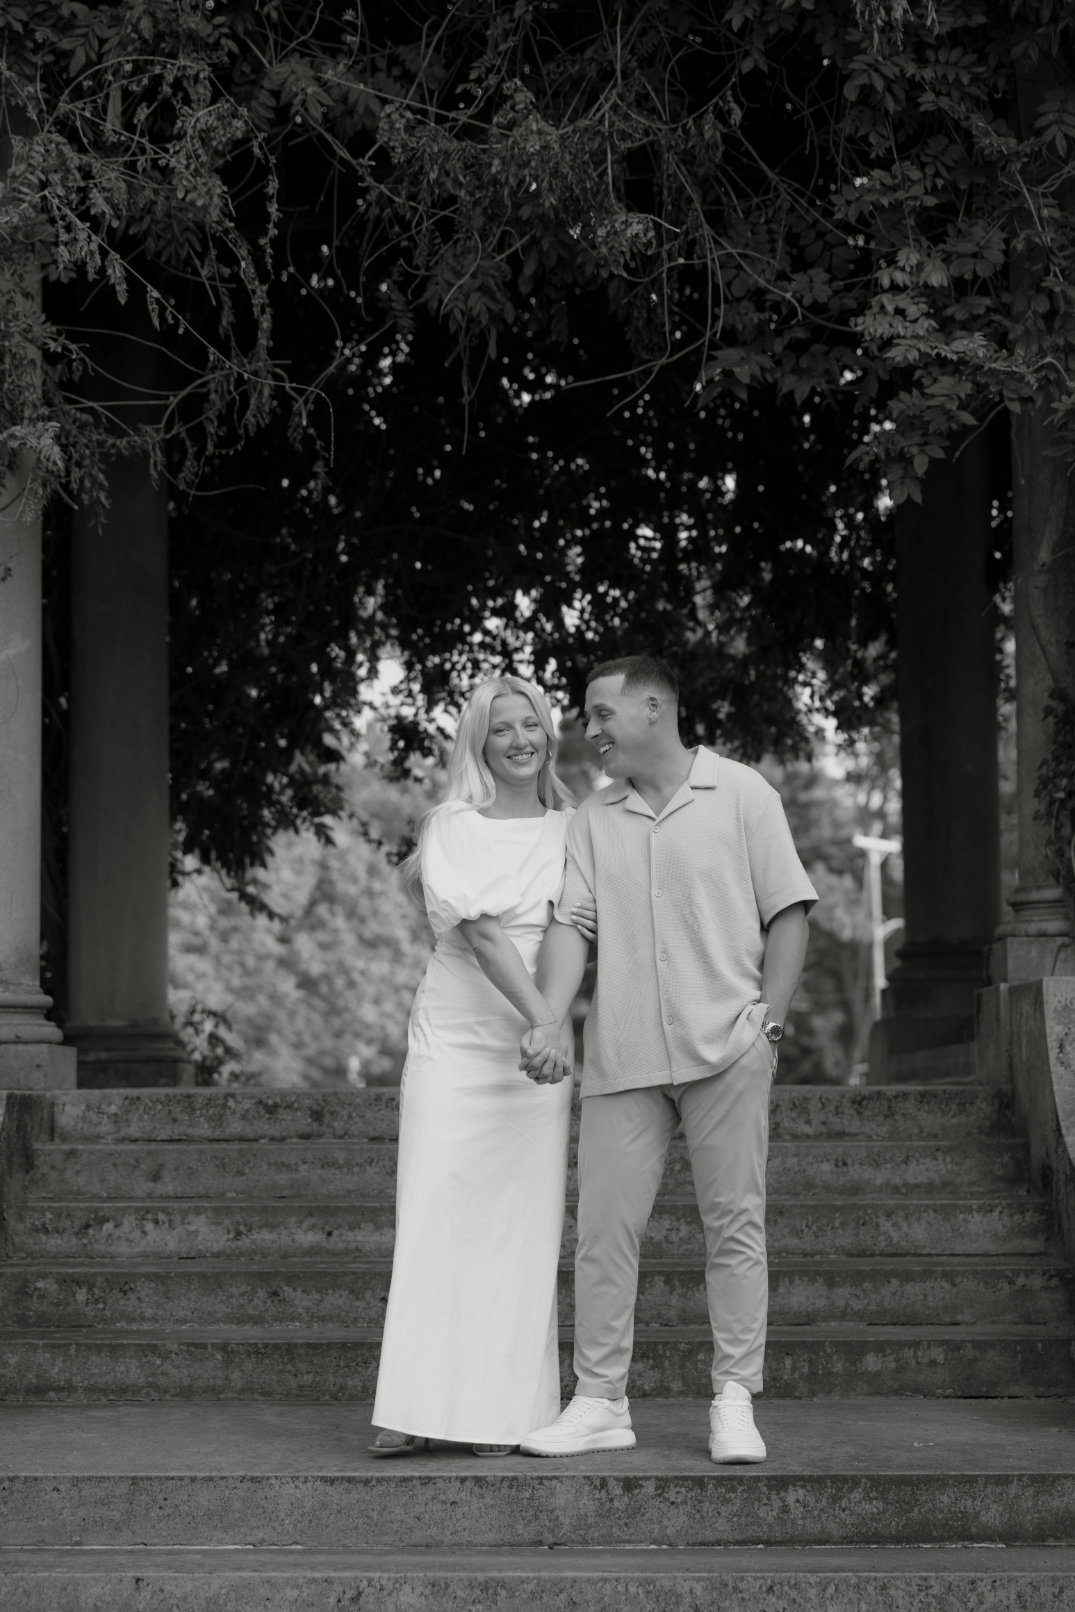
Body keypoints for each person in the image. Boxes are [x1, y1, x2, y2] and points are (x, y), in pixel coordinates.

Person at [518, 655, 817, 1464]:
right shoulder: (590, 818)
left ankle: (733, 1398)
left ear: (652, 709)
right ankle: (599, 1401)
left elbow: (788, 911)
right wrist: (547, 1019)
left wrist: (769, 1026)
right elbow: (571, 928)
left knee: (734, 1228)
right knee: (603, 1234)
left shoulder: (744, 794)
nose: (590, 731)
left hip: (726, 1047)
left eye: (600, 714)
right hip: (620, 1054)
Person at [369, 674, 593, 1457]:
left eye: (530, 723)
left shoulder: (576, 829)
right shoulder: (451, 826)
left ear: (549, 733)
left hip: (537, 1048)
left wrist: (549, 1027)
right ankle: (411, 1407)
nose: (519, 739)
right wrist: (543, 1021)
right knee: (434, 1209)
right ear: (479, 742)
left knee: (520, 1227)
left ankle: (500, 1413)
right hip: (457, 1039)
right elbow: (486, 935)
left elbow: (573, 929)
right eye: (502, 728)